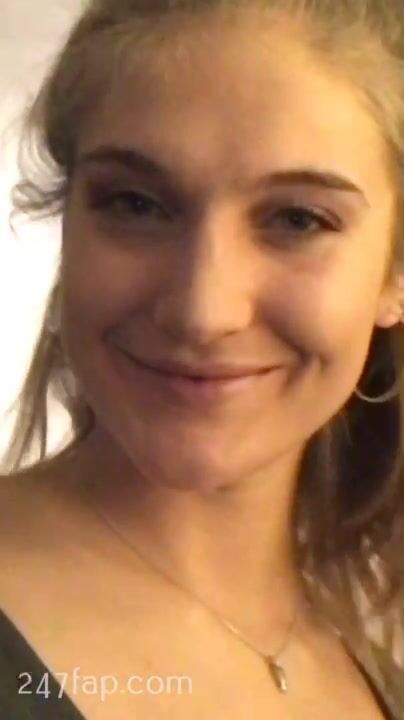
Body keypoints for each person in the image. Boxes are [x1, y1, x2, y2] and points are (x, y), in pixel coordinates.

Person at [0, 0, 403, 717]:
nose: (203, 311)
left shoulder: (373, 670)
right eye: (135, 204)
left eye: (298, 219)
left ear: (394, 272)